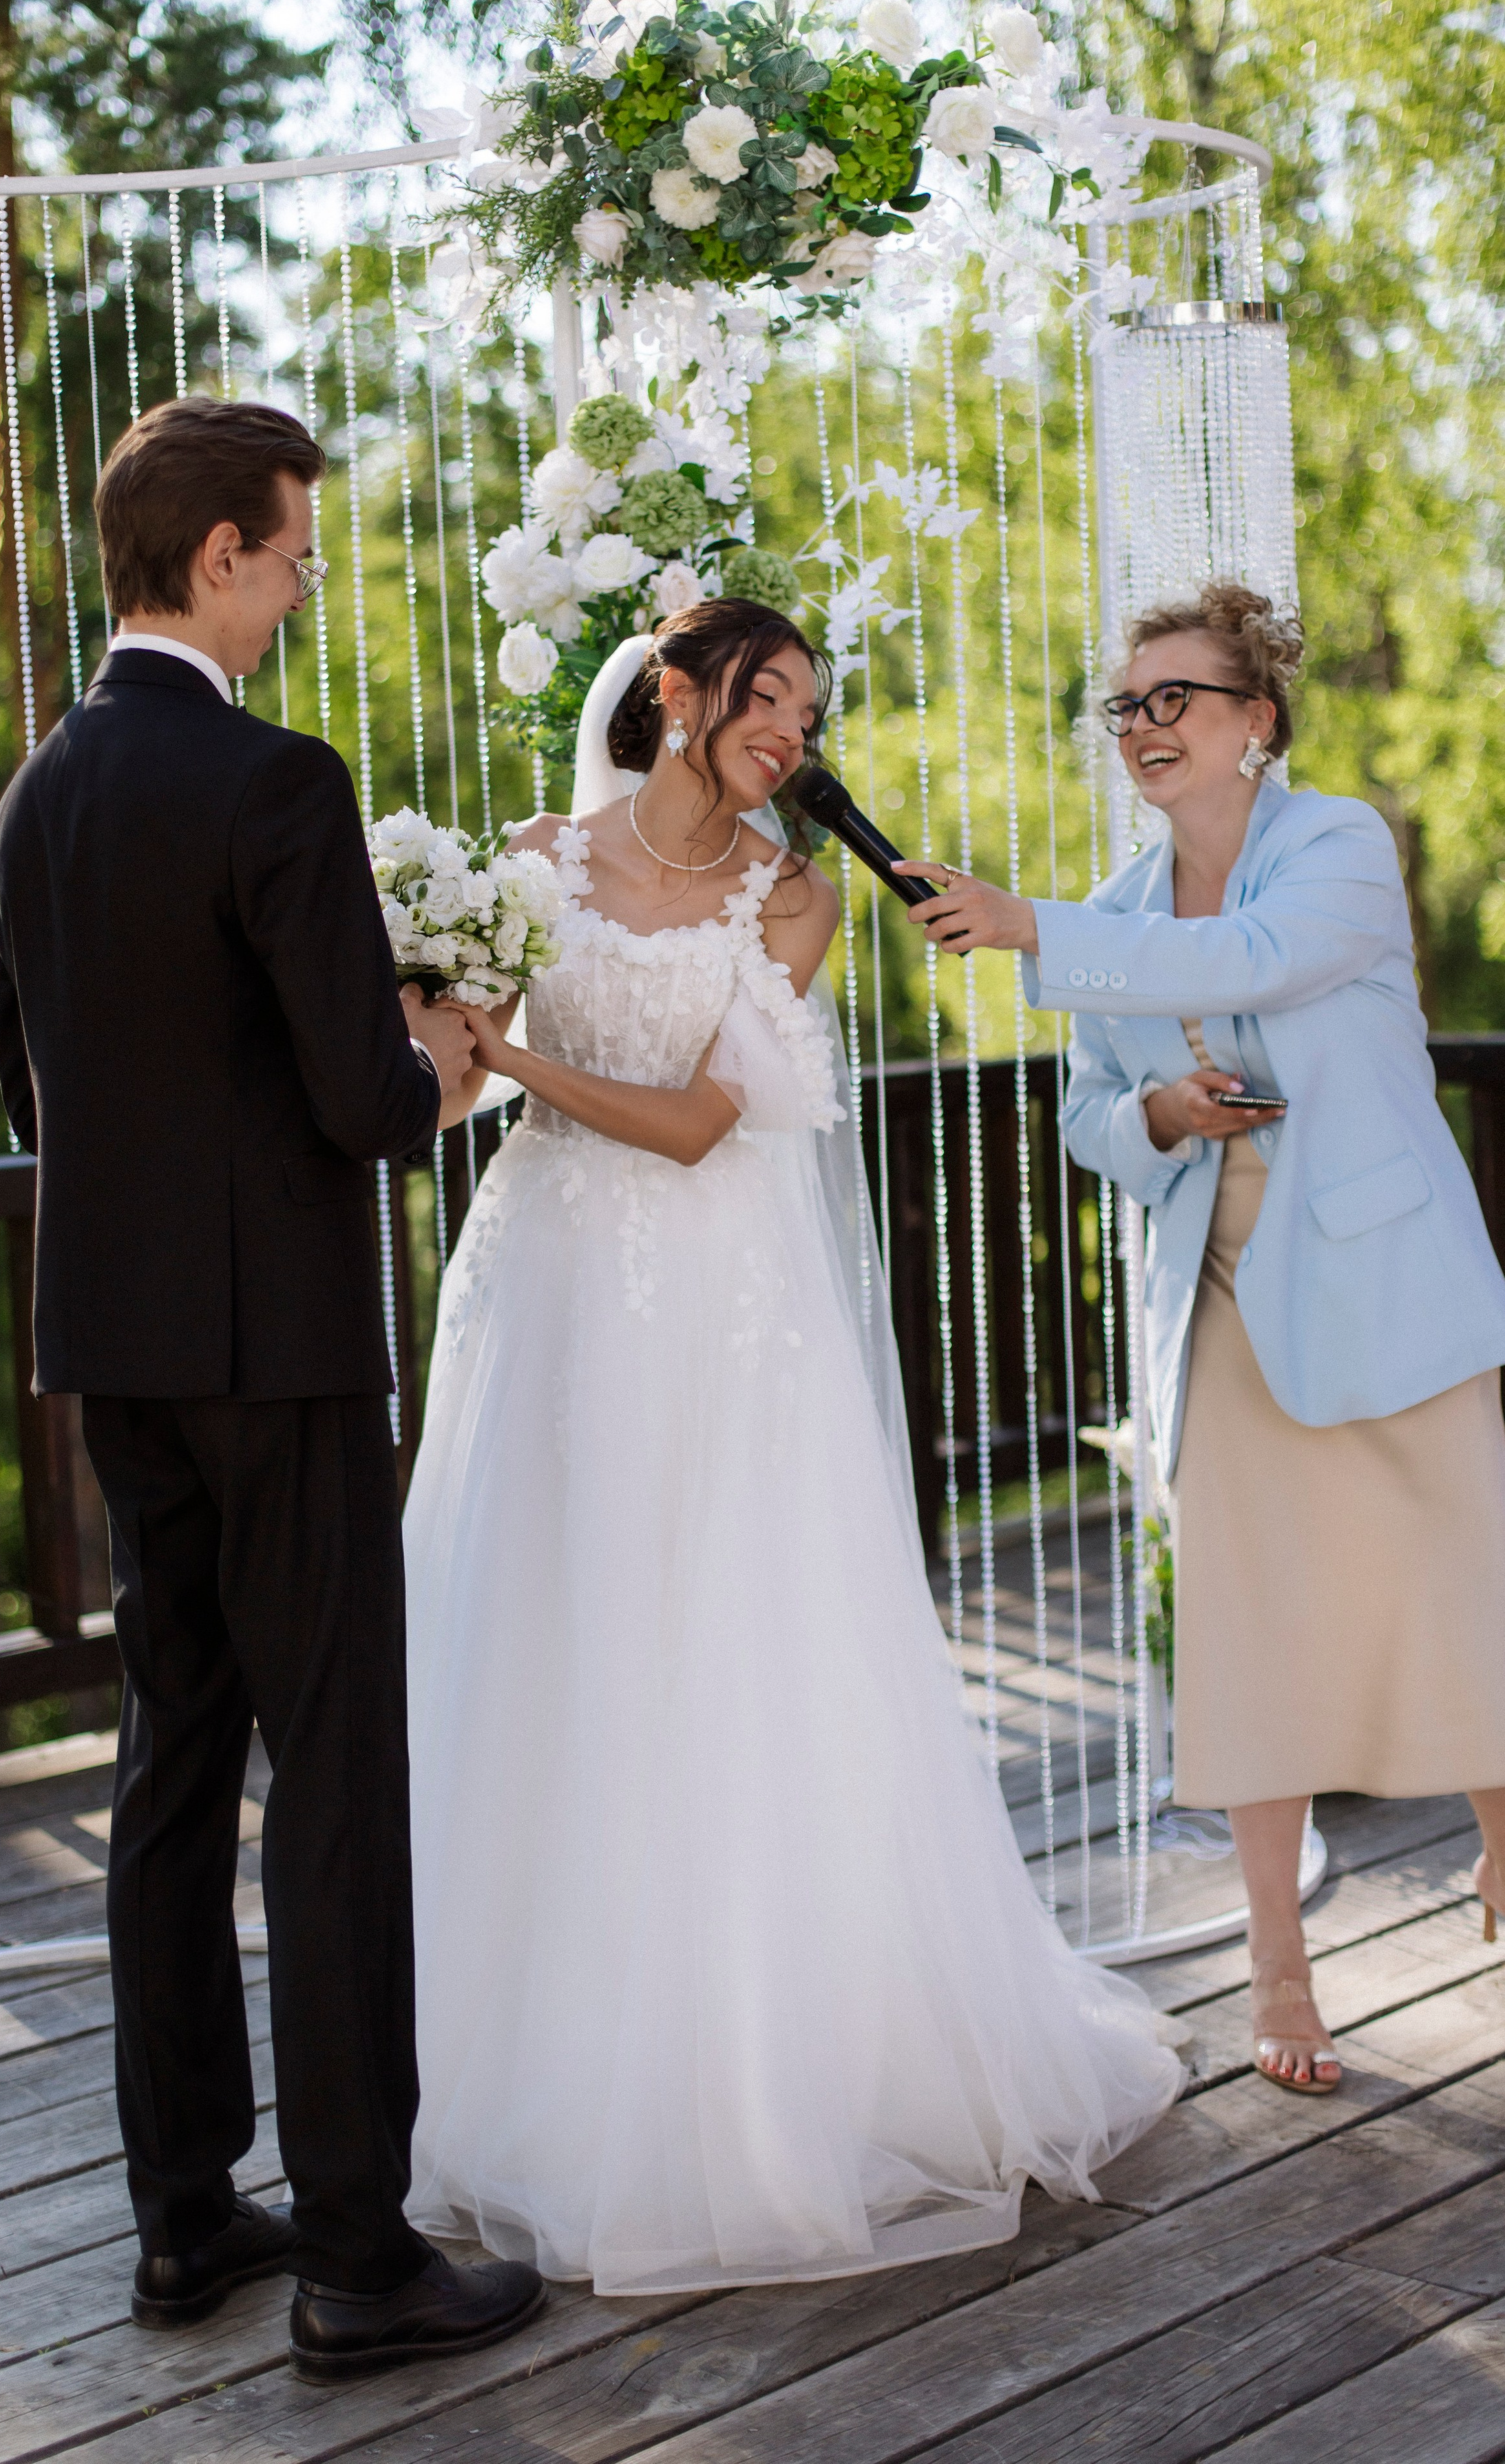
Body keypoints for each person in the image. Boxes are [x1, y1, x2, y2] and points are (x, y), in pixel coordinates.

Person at [399, 597, 1183, 2297]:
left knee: (729, 1638)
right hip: (539, 1298)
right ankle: (548, 2052)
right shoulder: (530, 857)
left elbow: (693, 1124)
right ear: (674, 697)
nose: (791, 741)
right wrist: (427, 1040)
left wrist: (516, 1054)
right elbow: (451, 1098)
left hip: (711, 1306)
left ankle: (753, 2072)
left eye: (808, 717)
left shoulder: (794, 896)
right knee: (555, 1645)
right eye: (769, 705)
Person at [0, 396, 545, 2377]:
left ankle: (184, 2218)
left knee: (169, 1769)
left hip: (113, 1350)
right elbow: (359, 1104)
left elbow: (26, 1092)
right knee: (333, 1783)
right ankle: (363, 2260)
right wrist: (448, 1059)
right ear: (216, 552)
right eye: (295, 554)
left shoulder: (32, 796)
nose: (303, 588)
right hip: (284, 1359)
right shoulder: (277, 782)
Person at [900, 580, 1505, 2097]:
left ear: (1257, 723)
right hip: (1220, 1299)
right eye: (1125, 706)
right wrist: (1157, 1115)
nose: (1143, 728)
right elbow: (1089, 1117)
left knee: (1464, 1593)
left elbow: (1251, 964)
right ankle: (1280, 1971)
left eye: (1174, 698)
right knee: (1243, 1635)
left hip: (1387, 1287)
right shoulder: (1107, 915)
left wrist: (1027, 927)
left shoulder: (1338, 847)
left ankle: (1504, 1868)